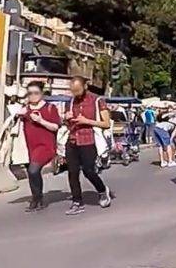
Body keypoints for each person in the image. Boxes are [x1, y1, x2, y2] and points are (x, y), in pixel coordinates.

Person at [64, 76, 112, 215]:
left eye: (78, 90)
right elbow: (67, 123)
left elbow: (106, 123)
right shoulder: (71, 101)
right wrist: (66, 119)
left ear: (85, 86)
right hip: (72, 139)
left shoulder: (97, 101)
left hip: (89, 140)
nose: (76, 94)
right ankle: (77, 202)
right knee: (72, 172)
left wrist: (87, 121)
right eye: (73, 91)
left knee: (88, 170)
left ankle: (102, 190)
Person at [19, 81, 61, 212]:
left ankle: (37, 198)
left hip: (46, 146)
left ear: (42, 93)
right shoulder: (25, 109)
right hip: (29, 146)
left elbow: (55, 126)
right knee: (31, 172)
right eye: (30, 93)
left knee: (33, 170)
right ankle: (37, 199)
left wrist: (40, 121)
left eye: (36, 93)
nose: (33, 96)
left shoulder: (50, 108)